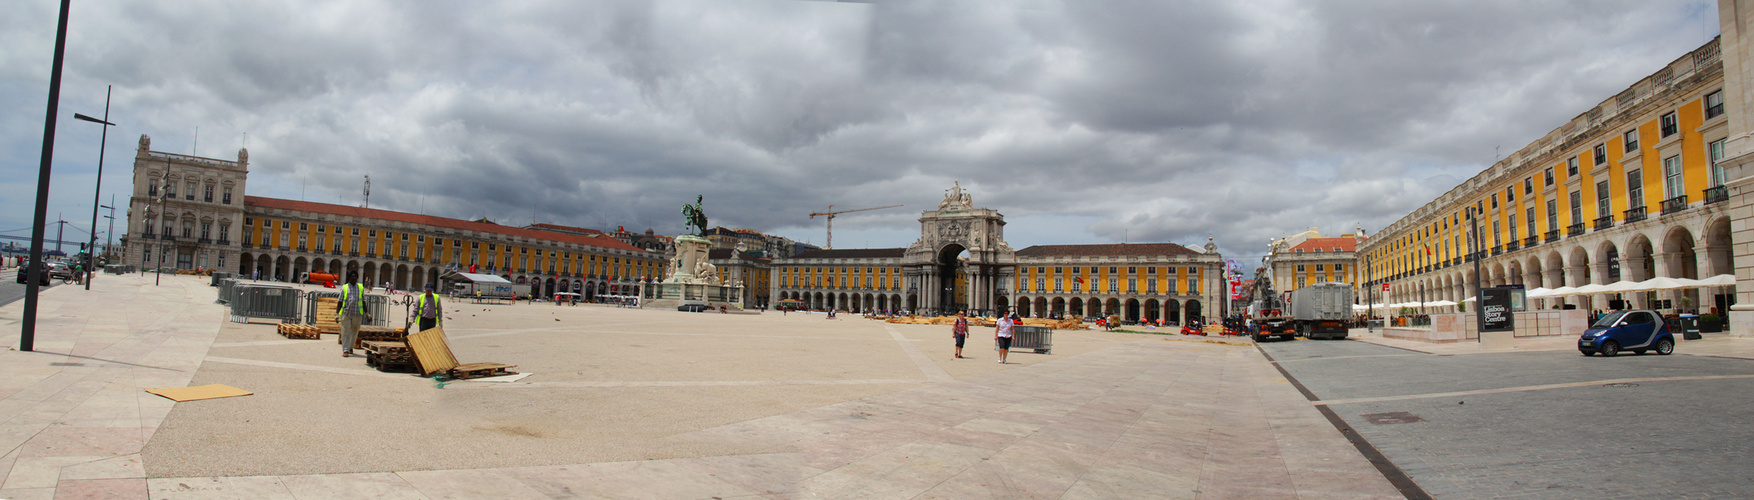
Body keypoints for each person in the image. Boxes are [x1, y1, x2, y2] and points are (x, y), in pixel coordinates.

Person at [337, 271, 369, 358]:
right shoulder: (344, 287)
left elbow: (363, 301)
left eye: (355, 277)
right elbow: (340, 301)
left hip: (357, 313)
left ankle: (351, 347)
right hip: (346, 313)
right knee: (345, 332)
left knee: (355, 332)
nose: (354, 278)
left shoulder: (360, 287)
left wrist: (367, 313)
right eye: (352, 276)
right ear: (349, 278)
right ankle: (345, 350)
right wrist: (337, 314)